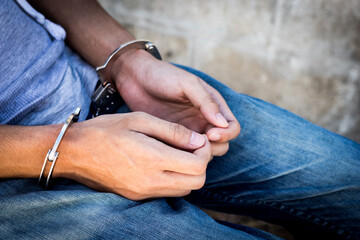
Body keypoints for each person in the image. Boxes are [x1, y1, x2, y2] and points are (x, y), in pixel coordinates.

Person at [0, 0, 359, 239]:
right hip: (13, 182)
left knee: (347, 178)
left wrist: (126, 61)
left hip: (99, 86)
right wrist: (70, 150)